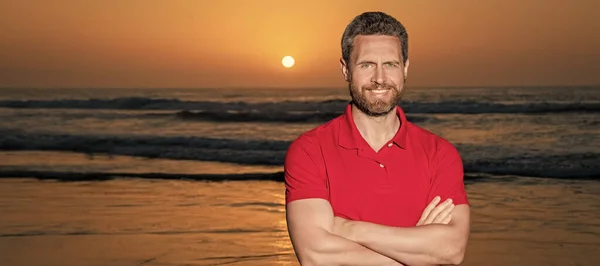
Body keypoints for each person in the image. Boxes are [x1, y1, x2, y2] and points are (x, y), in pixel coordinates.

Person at [283, 11, 470, 266]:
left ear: (405, 68)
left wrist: (350, 229)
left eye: (390, 65)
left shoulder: (440, 154)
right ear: (346, 69)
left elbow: (451, 250)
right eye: (367, 65)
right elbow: (317, 256)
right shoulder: (309, 151)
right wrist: (419, 251)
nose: (380, 78)